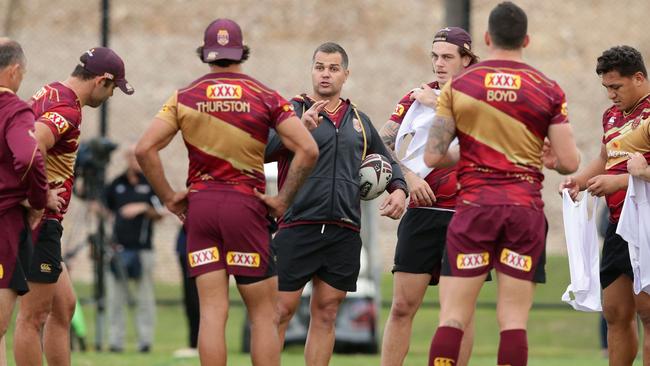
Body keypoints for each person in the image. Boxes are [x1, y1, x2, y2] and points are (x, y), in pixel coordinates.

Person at [135, 18, 318, 366]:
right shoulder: (265, 96)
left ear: (206, 54)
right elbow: (308, 150)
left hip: (201, 209)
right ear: (241, 52)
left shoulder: (184, 97)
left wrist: (171, 197)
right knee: (263, 314)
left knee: (212, 313)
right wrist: (281, 201)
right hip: (245, 209)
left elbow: (144, 149)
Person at [424, 2, 579, 365]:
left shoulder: (459, 86)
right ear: (526, 39)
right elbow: (569, 162)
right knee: (512, 322)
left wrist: (477, 149)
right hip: (523, 211)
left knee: (453, 317)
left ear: (487, 38)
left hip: (474, 210)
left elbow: (433, 156)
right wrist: (549, 159)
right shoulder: (548, 89)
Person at [266, 42, 409, 366]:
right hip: (297, 225)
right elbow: (264, 150)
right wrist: (300, 129)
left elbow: (388, 161)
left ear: (345, 74)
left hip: (343, 231)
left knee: (327, 312)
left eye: (332, 68)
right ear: (312, 71)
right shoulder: (292, 111)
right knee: (279, 311)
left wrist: (399, 189)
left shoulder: (359, 119)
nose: (325, 74)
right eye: (319, 67)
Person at [14, 46, 134, 366]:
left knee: (64, 306)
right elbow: (33, 141)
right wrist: (36, 197)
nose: (111, 96)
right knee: (32, 317)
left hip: (42, 221)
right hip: (40, 220)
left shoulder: (51, 90)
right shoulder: (67, 109)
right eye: (113, 89)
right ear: (101, 81)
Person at [378, 27, 478, 366]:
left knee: (460, 312)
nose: (438, 63)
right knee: (402, 305)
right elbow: (381, 145)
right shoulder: (413, 98)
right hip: (423, 211)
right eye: (435, 56)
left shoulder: (480, 97)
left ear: (466, 59)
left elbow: (486, 134)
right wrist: (406, 178)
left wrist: (438, 103)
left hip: (467, 214)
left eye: (447, 57)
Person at [560, 45, 650, 364]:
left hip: (647, 226)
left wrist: (621, 182)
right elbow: (604, 159)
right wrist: (579, 181)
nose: (611, 95)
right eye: (606, 88)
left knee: (647, 313)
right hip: (617, 224)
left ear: (638, 78)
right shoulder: (611, 116)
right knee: (614, 311)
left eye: (616, 87)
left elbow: (634, 174)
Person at [0, 38, 48, 365]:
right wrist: (38, 199)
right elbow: (29, 156)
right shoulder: (14, 109)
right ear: (15, 70)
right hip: (4, 222)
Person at [104, 147, 163, 353]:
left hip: (143, 249)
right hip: (118, 249)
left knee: (144, 297)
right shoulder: (116, 183)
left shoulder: (150, 184)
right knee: (115, 298)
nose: (134, 161)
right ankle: (115, 341)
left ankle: (145, 341)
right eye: (131, 157)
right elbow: (102, 206)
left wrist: (142, 208)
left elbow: (161, 213)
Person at [172, 226, 200, 359]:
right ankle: (194, 343)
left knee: (200, 300)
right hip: (188, 244)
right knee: (191, 299)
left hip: (203, 243)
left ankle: (197, 343)